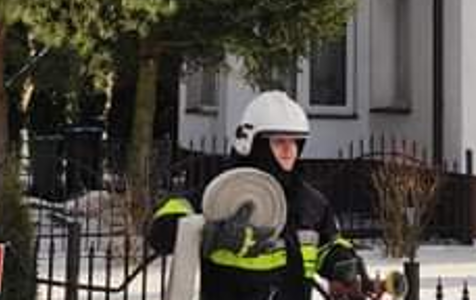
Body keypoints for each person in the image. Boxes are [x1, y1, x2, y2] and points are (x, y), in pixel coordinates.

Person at [147, 91, 372, 300]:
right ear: (254, 145)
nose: (289, 150)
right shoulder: (223, 194)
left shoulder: (312, 204)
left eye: (294, 141)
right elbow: (160, 231)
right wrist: (209, 231)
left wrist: (343, 262)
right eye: (279, 142)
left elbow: (329, 245)